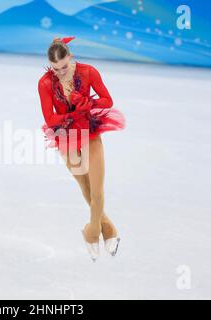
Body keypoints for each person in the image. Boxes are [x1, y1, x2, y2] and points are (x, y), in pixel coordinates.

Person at [37, 36, 126, 262]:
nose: (61, 72)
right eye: (56, 69)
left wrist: (90, 104)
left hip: (90, 131)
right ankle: (109, 229)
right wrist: (73, 114)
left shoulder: (88, 72)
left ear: (71, 57)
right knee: (84, 185)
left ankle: (92, 232)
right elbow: (50, 118)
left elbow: (107, 100)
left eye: (64, 66)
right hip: (66, 136)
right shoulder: (45, 83)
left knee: (97, 189)